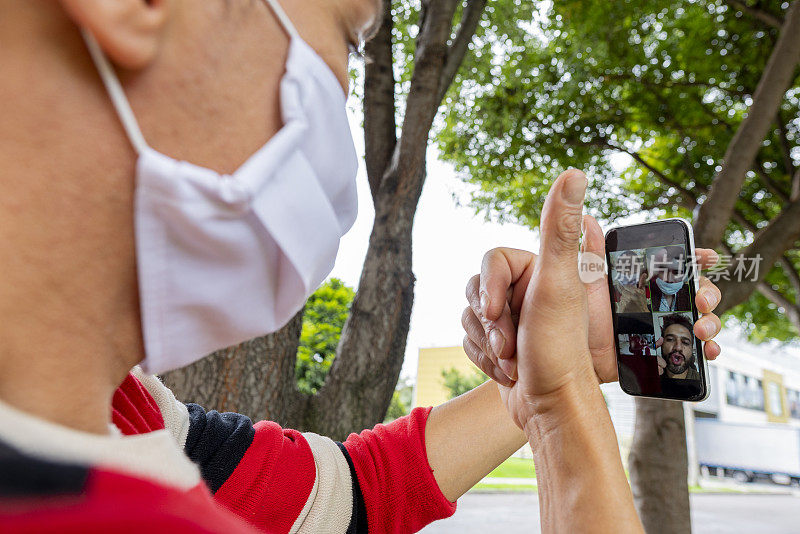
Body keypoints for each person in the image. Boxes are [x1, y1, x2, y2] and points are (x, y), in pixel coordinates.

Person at [0, 2, 725, 534]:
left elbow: (352, 494)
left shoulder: (128, 418)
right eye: (349, 36)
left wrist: (534, 386)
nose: (341, 93)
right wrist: (564, 405)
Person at [646, 246, 692, 312]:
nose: (669, 280)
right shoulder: (647, 291)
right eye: (663, 271)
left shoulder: (690, 294)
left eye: (677, 273)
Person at [656, 315, 700, 381]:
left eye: (685, 342)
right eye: (670, 339)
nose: (678, 347)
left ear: (692, 349)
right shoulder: (651, 378)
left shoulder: (700, 381)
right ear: (662, 344)